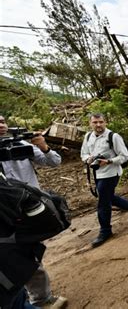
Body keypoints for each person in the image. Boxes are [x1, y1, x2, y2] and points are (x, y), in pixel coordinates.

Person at [0, 115, 67, 308]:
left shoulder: (21, 144)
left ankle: (39, 298)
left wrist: (43, 146)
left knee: (30, 252)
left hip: (30, 209)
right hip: (5, 214)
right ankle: (36, 297)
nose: (1, 125)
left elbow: (55, 162)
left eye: (3, 121)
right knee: (16, 255)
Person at [80, 113, 128, 248]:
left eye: (101, 122)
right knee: (109, 197)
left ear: (105, 122)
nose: (98, 125)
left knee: (103, 202)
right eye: (95, 122)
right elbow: (83, 153)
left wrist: (108, 161)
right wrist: (88, 159)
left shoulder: (113, 136)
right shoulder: (88, 136)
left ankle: (105, 231)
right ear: (90, 123)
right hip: (97, 173)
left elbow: (124, 156)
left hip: (111, 173)